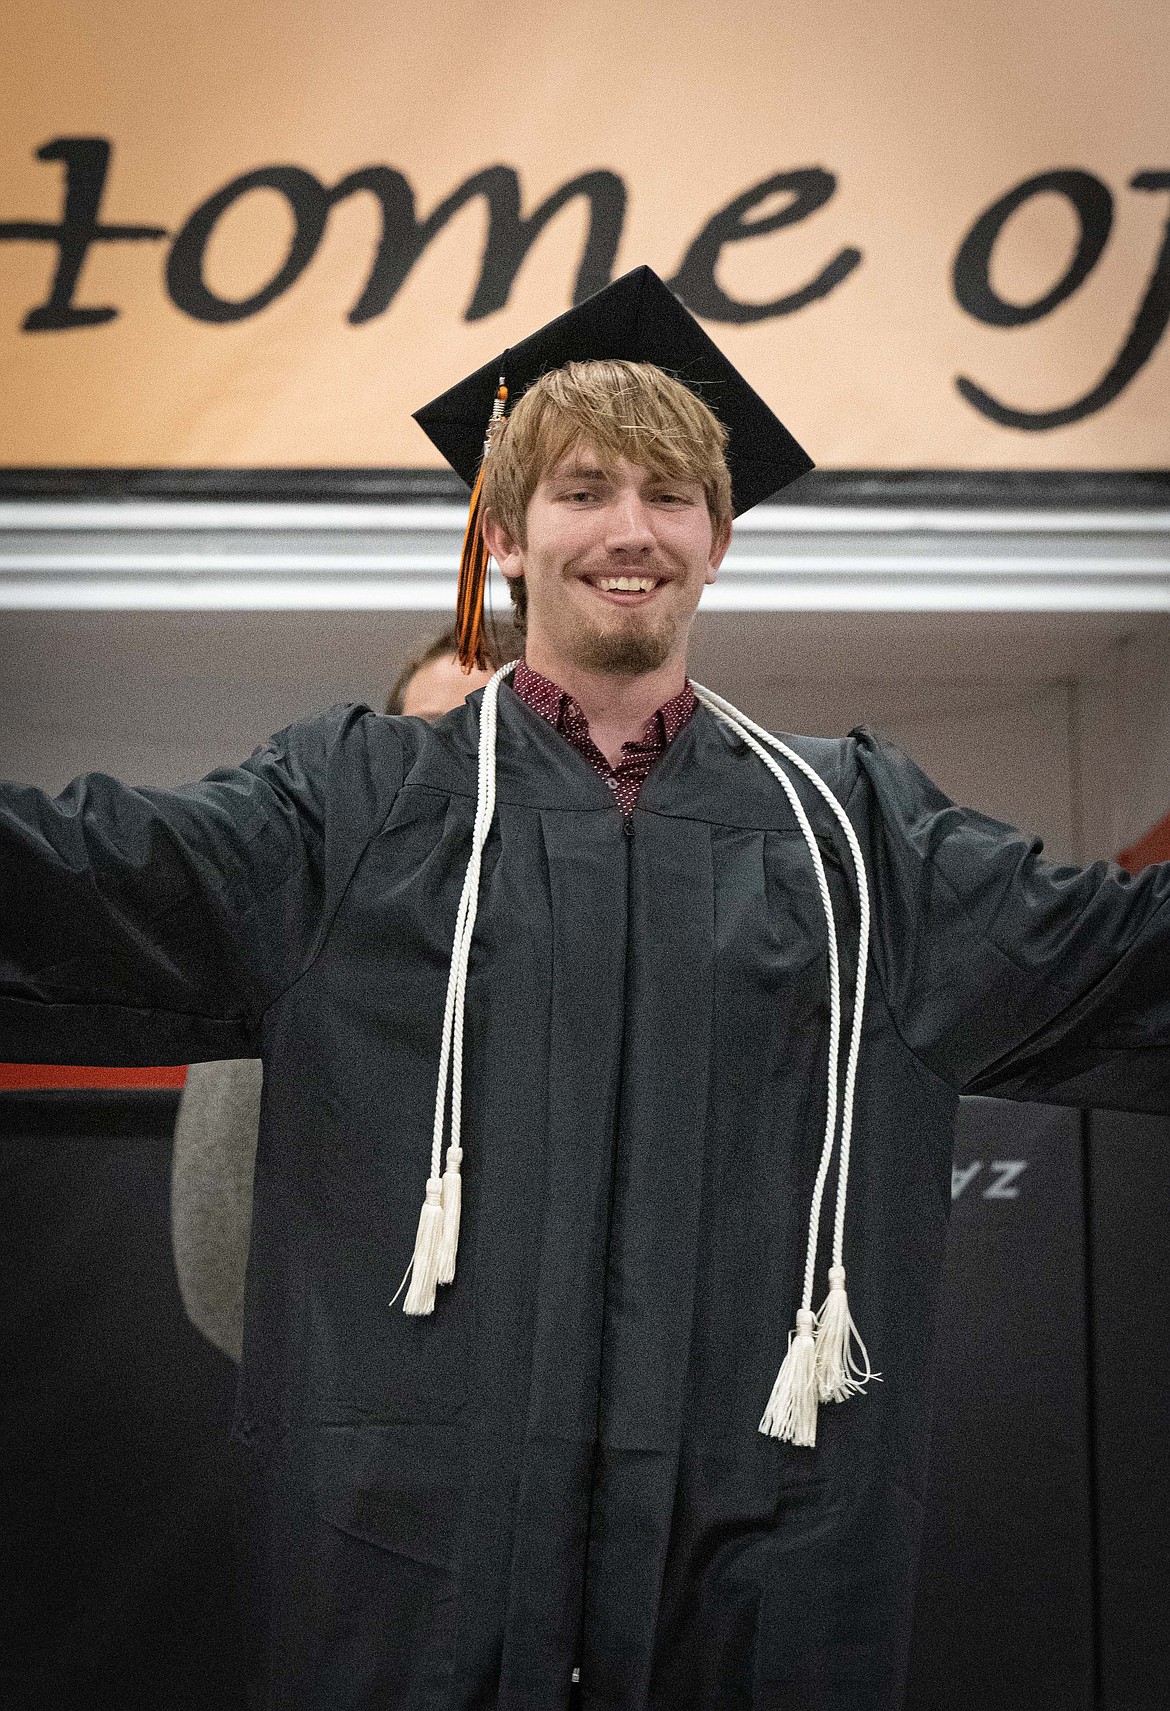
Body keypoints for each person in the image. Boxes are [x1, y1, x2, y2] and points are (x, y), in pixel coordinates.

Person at [2, 267, 1169, 1711]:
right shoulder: (351, 807)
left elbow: (1118, 953)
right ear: (503, 530)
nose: (630, 527)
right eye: (581, 488)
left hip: (754, 1540)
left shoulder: (856, 832)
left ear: (718, 537)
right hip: (429, 1524)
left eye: (672, 493)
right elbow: (88, 876)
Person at [172, 627, 510, 1363]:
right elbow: (220, 1231)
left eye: (488, 727)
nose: (458, 759)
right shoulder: (299, 927)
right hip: (361, 1413)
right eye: (423, 736)